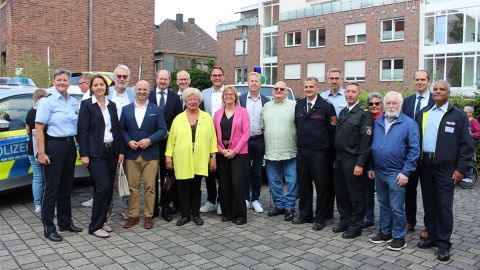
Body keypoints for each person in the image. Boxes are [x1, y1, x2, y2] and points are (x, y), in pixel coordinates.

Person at [416, 80, 473, 261]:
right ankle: (432, 236)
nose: (438, 92)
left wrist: (461, 169)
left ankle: (443, 244)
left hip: (446, 168)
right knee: (429, 203)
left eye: (442, 90)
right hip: (425, 165)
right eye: (436, 89)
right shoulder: (424, 113)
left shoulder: (458, 116)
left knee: (444, 206)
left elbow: (466, 144)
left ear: (449, 93)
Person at [368, 91, 420, 251]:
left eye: (394, 103)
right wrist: (370, 166)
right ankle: (385, 232)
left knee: (397, 207)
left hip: (397, 172)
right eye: (388, 103)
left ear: (400, 105)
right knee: (383, 204)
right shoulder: (378, 122)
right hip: (379, 170)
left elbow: (414, 150)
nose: (391, 106)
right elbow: (371, 145)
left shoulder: (409, 124)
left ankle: (399, 237)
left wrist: (406, 171)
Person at [35, 68, 82, 242]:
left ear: (69, 83)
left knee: (66, 188)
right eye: (59, 80)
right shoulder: (47, 102)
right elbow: (39, 128)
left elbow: (76, 126)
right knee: (52, 189)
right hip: (54, 146)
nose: (63, 83)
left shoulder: (71, 101)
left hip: (70, 146)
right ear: (54, 82)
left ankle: (65, 222)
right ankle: (49, 228)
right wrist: (41, 152)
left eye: (65, 80)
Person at [78, 75, 125, 238]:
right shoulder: (86, 105)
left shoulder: (111, 105)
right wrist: (83, 154)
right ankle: (94, 226)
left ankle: (103, 220)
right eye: (96, 85)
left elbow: (117, 130)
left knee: (107, 189)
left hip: (111, 151)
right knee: (102, 187)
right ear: (91, 88)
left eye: (102, 85)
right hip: (95, 153)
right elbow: (82, 131)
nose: (99, 87)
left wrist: (120, 151)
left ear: (106, 87)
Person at [165, 88, 218, 226]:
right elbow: (171, 140)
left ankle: (196, 214)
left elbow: (213, 138)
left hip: (199, 158)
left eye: (195, 99)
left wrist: (213, 157)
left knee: (196, 187)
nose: (193, 101)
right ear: (185, 101)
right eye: (190, 99)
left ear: (199, 101)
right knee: (182, 187)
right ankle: (185, 215)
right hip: (181, 158)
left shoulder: (207, 117)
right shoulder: (178, 118)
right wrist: (168, 156)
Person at [120, 80, 168, 230]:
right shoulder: (126, 109)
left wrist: (149, 140)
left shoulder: (157, 109)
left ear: (149, 91)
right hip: (132, 154)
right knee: (133, 187)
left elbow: (162, 130)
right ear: (135, 90)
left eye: (144, 89)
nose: (141, 92)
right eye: (139, 89)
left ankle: (148, 216)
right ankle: (133, 215)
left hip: (150, 154)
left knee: (150, 187)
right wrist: (128, 142)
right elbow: (121, 130)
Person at [294, 77, 337, 231]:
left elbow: (333, 133)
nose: (308, 89)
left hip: (320, 154)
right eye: (306, 87)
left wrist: (332, 157)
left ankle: (320, 217)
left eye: (311, 86)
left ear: (317, 87)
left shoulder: (326, 106)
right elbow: (297, 127)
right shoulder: (298, 105)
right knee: (304, 185)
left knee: (322, 186)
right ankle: (305, 214)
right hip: (303, 153)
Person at [333, 82, 373, 239]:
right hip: (340, 159)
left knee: (355, 194)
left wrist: (360, 163)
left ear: (358, 94)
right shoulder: (343, 111)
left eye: (353, 92)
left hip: (354, 160)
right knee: (341, 193)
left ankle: (356, 226)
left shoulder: (364, 114)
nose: (349, 94)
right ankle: (345, 220)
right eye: (348, 91)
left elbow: (366, 141)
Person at [401, 70, 435, 237]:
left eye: (423, 79)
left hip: (427, 155)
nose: (420, 82)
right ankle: (410, 221)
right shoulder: (406, 102)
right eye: (417, 79)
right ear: (413, 81)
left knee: (428, 192)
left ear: (428, 81)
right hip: (409, 154)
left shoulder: (435, 102)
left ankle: (429, 226)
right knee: (409, 190)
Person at [148, 69, 182, 220]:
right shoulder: (148, 95)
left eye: (165, 79)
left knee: (168, 176)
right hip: (151, 143)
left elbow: (179, 120)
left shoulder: (175, 98)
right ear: (156, 79)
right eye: (160, 79)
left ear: (169, 80)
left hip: (169, 144)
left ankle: (166, 207)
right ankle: (153, 207)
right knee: (152, 177)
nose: (163, 81)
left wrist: (171, 134)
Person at [214, 86, 250, 225]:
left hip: (239, 153)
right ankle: (227, 212)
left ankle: (240, 214)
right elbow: (214, 135)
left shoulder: (243, 112)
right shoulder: (217, 114)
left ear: (235, 97)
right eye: (226, 94)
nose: (228, 96)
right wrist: (221, 150)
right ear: (223, 97)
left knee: (237, 183)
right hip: (222, 153)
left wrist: (235, 150)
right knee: (224, 184)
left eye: (231, 94)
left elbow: (246, 133)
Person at [263, 81, 298, 221]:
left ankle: (289, 206)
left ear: (286, 92)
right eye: (275, 88)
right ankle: (279, 205)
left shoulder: (295, 106)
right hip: (271, 150)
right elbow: (263, 127)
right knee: (273, 181)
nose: (278, 90)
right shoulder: (266, 106)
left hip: (290, 149)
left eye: (281, 89)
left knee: (292, 180)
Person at [107, 64, 136, 219]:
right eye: (119, 76)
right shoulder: (106, 93)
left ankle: (127, 208)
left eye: (125, 77)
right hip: (109, 140)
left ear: (129, 79)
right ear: (114, 77)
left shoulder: (133, 93)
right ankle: (108, 208)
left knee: (127, 177)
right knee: (108, 178)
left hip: (128, 141)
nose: (122, 79)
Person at [239, 72, 269, 213]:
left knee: (257, 172)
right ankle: (245, 198)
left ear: (260, 83)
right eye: (251, 81)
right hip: (244, 141)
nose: (254, 83)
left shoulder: (265, 100)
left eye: (256, 81)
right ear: (248, 83)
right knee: (244, 171)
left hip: (259, 140)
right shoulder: (241, 99)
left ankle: (255, 199)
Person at [320, 68, 347, 219]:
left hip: (343, 144)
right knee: (326, 180)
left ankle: (344, 214)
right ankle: (327, 212)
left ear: (342, 80)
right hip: (326, 144)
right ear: (328, 80)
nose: (334, 81)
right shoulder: (322, 97)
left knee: (342, 181)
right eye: (332, 78)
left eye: (337, 78)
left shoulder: (348, 96)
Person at [200, 66, 225, 215]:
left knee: (222, 172)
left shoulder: (229, 93)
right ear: (211, 78)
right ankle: (210, 200)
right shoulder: (204, 93)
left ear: (223, 77)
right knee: (208, 171)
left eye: (219, 75)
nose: (216, 78)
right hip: (207, 137)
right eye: (214, 75)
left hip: (224, 137)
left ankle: (222, 201)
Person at [25, 88, 48, 214]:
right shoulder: (47, 111)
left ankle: (38, 205)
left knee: (37, 178)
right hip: (46, 149)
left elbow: (27, 131)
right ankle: (50, 204)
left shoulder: (30, 113)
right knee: (49, 178)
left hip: (32, 149)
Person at [363, 92, 383, 229]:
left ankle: (385, 221)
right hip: (368, 161)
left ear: (381, 105)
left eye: (377, 103)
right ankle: (369, 218)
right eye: (371, 104)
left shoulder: (386, 119)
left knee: (383, 194)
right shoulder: (365, 118)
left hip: (383, 161)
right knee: (367, 192)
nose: (374, 106)